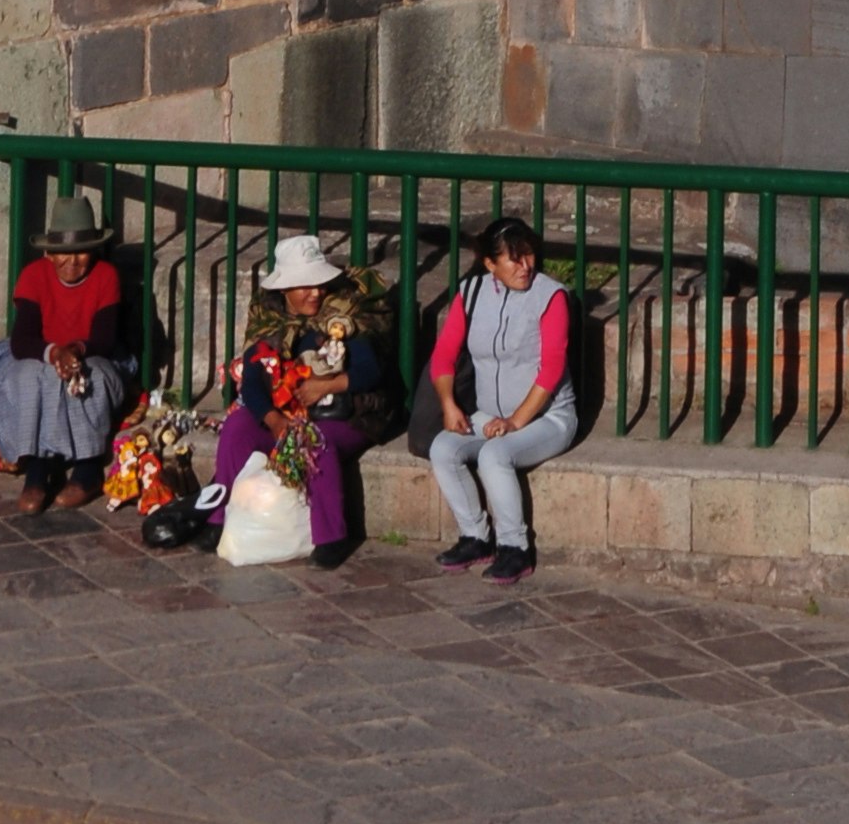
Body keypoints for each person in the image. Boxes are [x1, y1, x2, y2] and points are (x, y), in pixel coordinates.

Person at [209, 230, 394, 571]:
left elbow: (371, 370)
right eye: (304, 286)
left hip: (347, 414)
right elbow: (252, 382)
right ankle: (217, 516)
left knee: (314, 439)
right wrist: (273, 420)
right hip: (286, 414)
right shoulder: (269, 319)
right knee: (237, 427)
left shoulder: (344, 313)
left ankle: (331, 537)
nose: (316, 292)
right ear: (284, 290)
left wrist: (326, 385)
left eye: (319, 284)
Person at [425, 215, 578, 578]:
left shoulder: (550, 296)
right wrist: (449, 405)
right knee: (443, 449)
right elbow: (444, 355)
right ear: (490, 264)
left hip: (547, 417)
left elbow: (551, 368)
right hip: (489, 414)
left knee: (495, 455)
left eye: (529, 255)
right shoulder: (471, 292)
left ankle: (515, 547)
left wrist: (515, 422)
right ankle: (475, 537)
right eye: (514, 259)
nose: (525, 266)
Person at [0, 191, 134, 515]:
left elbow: (104, 338)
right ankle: (37, 468)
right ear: (49, 253)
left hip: (93, 352)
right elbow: (22, 340)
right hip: (43, 353)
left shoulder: (105, 276)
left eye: (81, 252)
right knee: (30, 377)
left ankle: (88, 466)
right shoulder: (33, 276)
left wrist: (76, 351)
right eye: (63, 253)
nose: (72, 261)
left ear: (94, 250)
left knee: (88, 378)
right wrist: (55, 353)